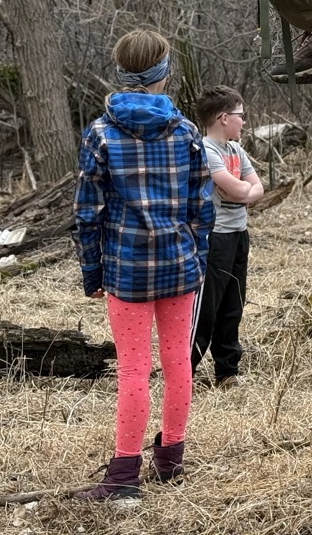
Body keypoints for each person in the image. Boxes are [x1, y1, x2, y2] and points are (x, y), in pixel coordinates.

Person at [72, 29, 214, 499]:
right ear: (163, 73)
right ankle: (171, 458)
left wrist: (92, 272)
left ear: (121, 73)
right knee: (178, 363)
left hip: (126, 269)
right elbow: (202, 209)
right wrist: (197, 260)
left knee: (134, 370)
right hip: (178, 265)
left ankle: (123, 476)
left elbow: (87, 213)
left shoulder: (100, 132)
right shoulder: (186, 131)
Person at [191, 86, 263, 388]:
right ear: (223, 118)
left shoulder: (236, 150)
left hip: (238, 234)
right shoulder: (205, 151)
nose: (243, 121)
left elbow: (256, 188)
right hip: (215, 238)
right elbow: (238, 188)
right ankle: (185, 370)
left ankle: (226, 371)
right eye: (240, 115)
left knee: (234, 303)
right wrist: (243, 191)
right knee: (207, 307)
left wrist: (244, 191)